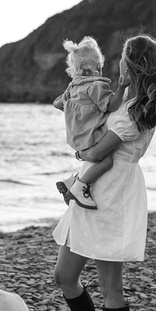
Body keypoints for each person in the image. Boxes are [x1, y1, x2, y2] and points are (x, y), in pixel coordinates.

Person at [49, 32, 156, 311]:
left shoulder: (136, 109)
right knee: (65, 275)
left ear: (131, 65)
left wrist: (80, 152)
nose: (116, 66)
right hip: (99, 189)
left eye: (122, 60)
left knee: (111, 287)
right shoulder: (129, 102)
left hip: (113, 194)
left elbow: (95, 152)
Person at [52, 37, 116, 209]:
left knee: (94, 160)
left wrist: (69, 106)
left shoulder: (73, 87)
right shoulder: (96, 86)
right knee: (107, 161)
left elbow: (57, 104)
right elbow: (110, 105)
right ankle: (80, 186)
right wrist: (123, 89)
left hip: (76, 137)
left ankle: (71, 181)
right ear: (98, 67)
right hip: (90, 135)